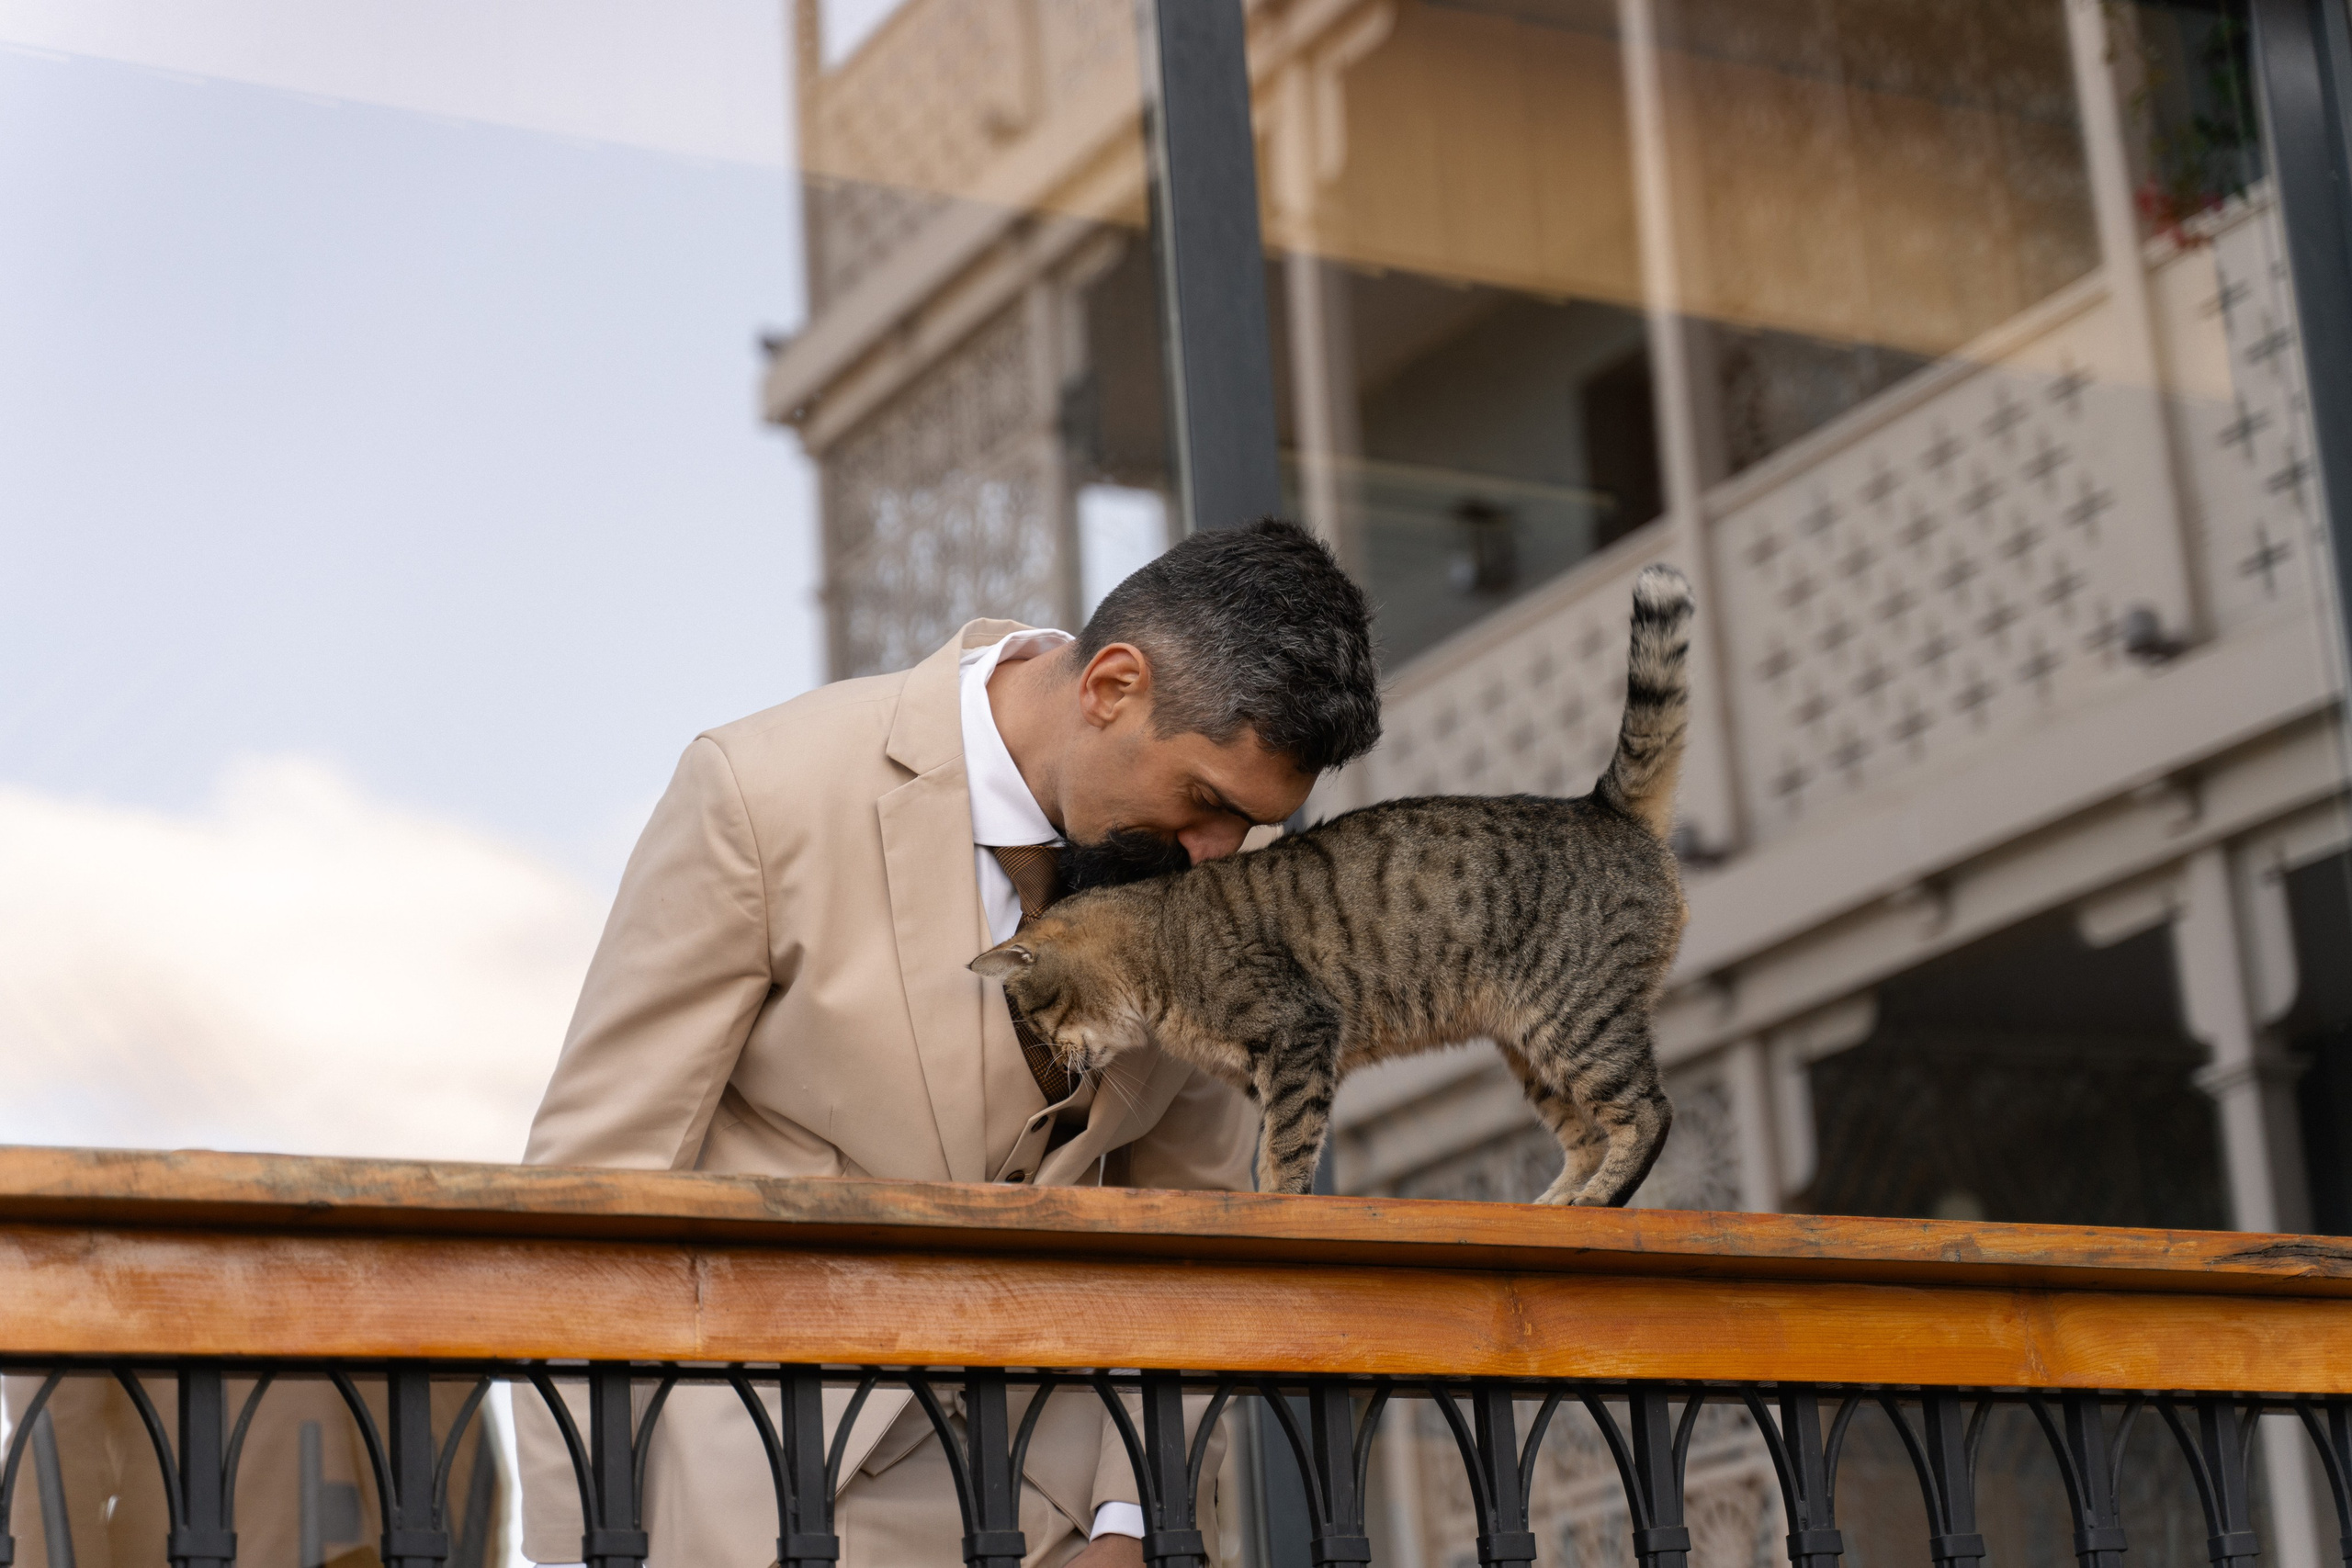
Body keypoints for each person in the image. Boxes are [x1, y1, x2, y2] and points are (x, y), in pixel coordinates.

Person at [518, 519, 1382, 1567]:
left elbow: (1187, 1222)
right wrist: (581, 1549)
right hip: (770, 1493)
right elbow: (587, 1196)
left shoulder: (1215, 890)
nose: (1217, 859)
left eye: (1250, 826)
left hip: (1060, 1514)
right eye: (1203, 803)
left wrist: (1135, 1516)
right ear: (1111, 686)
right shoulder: (760, 792)